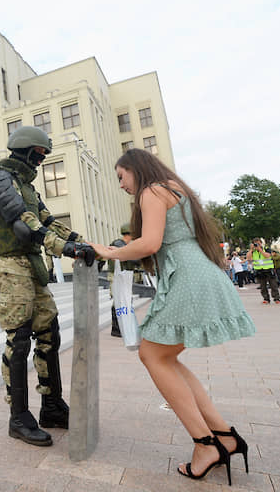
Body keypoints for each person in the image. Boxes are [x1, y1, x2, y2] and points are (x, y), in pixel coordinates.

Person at [89, 149, 255, 485]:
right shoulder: (175, 187)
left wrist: (110, 251)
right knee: (166, 357)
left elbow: (149, 243)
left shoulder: (152, 191)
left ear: (136, 169)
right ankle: (223, 436)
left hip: (188, 280)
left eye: (121, 176)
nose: (121, 185)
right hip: (198, 275)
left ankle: (205, 444)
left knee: (154, 355)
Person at [0, 126, 95, 447]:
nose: (42, 160)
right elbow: (22, 221)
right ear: (26, 150)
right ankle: (18, 417)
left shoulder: (27, 186)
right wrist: (64, 249)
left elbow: (46, 220)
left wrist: (83, 243)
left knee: (49, 332)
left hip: (31, 265)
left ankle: (52, 406)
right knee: (19, 338)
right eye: (40, 154)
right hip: (9, 265)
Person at [107, 223, 142, 337]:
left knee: (124, 300)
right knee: (118, 300)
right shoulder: (119, 244)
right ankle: (117, 329)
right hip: (117, 276)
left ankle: (121, 327)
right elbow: (129, 257)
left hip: (123, 276)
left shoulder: (123, 244)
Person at [246, 237, 280, 304]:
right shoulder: (253, 251)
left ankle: (276, 298)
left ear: (261, 243)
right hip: (259, 270)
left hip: (269, 269)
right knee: (262, 286)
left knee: (273, 285)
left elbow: (267, 256)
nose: (257, 245)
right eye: (255, 244)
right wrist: (251, 249)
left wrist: (260, 250)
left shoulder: (266, 249)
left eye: (258, 243)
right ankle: (266, 299)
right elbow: (248, 258)